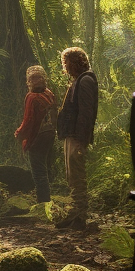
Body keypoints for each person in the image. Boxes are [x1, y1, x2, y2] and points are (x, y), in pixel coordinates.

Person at [56, 47, 98, 229]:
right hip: (71, 134)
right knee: (72, 176)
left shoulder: (86, 80)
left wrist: (81, 139)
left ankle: (80, 216)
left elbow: (86, 113)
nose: (65, 67)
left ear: (75, 63)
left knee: (77, 176)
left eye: (67, 63)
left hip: (77, 136)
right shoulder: (79, 80)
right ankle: (75, 214)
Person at [14, 65, 58, 204]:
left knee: (39, 172)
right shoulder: (49, 93)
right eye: (33, 79)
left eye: (36, 78)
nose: (35, 81)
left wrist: (19, 134)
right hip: (50, 134)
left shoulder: (31, 97)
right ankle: (46, 201)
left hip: (37, 138)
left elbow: (29, 121)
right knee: (44, 169)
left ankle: (43, 203)